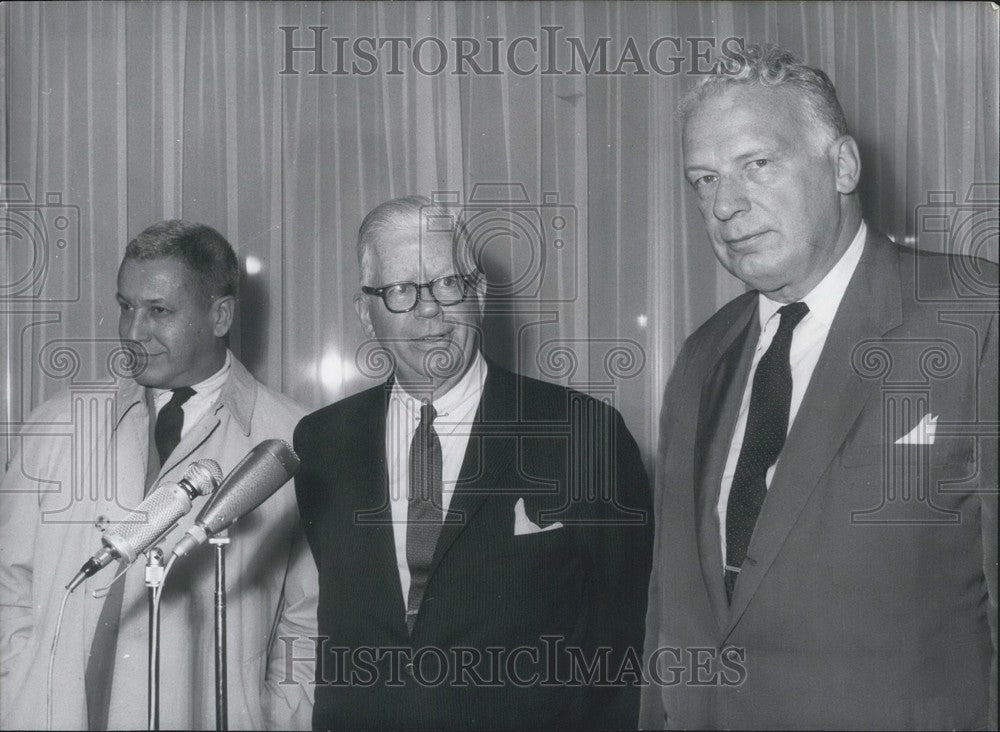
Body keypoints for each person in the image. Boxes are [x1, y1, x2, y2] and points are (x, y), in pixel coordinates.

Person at [640, 43, 998, 730]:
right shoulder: (702, 356)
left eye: (757, 164)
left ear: (843, 166)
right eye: (704, 180)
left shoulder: (975, 316)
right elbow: (671, 614)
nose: (725, 206)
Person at [292, 195, 654, 730]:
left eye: (448, 283)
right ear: (365, 314)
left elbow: (625, 641)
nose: (429, 309)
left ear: (479, 294)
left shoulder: (584, 434)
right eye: (400, 290)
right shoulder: (322, 442)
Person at [0, 220, 316, 730]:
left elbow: (307, 622)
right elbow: (8, 584)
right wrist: (18, 694)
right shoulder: (54, 424)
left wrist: (270, 720)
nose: (132, 332)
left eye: (158, 311)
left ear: (220, 315)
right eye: (126, 306)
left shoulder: (293, 443)